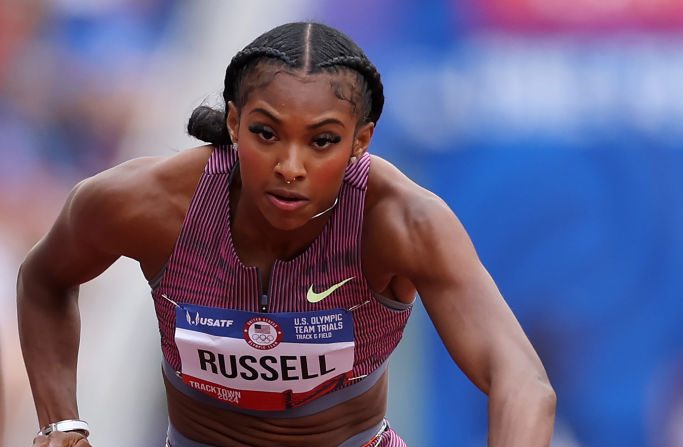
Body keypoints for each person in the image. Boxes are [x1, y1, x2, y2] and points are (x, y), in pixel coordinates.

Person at [18, 22, 556, 447]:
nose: (290, 166)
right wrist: (60, 425)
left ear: (360, 141)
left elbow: (521, 381)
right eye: (265, 133)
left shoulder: (402, 221)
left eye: (322, 141)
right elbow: (44, 280)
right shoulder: (144, 203)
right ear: (233, 123)